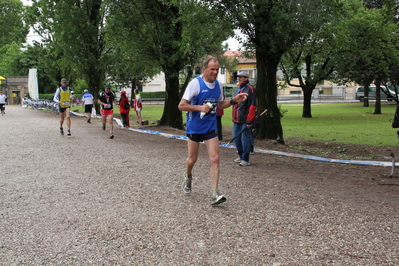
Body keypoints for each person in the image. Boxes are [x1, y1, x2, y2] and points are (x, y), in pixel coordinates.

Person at [178, 57, 248, 205]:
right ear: (205, 69)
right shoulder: (195, 84)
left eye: (217, 69)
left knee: (215, 158)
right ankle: (188, 176)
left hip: (210, 126)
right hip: (195, 127)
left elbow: (221, 104)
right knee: (192, 159)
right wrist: (199, 108)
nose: (215, 72)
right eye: (212, 69)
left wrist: (235, 100)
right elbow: (181, 105)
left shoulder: (218, 85)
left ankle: (214, 193)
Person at [232, 71, 257, 166]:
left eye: (241, 77)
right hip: (237, 118)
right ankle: (241, 155)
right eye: (238, 77)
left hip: (246, 119)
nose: (239, 78)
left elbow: (252, 105)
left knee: (245, 139)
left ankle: (245, 158)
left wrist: (250, 120)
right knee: (236, 138)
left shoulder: (250, 89)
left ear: (246, 78)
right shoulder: (238, 89)